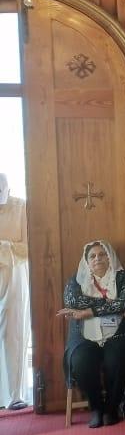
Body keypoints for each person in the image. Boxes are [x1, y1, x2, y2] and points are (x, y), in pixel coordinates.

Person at [59, 240, 125, 428]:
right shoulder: (76, 281)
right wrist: (114, 305)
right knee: (81, 360)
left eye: (102, 254)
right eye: (92, 256)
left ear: (110, 257)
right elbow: (73, 302)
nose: (97, 259)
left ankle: (111, 409)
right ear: (86, 261)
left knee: (117, 358)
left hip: (119, 334)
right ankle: (96, 407)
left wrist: (89, 311)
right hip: (84, 336)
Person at [0, 174, 29, 410]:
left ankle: (14, 394)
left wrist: (4, 248)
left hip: (13, 273)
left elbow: (29, 247)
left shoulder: (21, 208)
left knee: (14, 333)